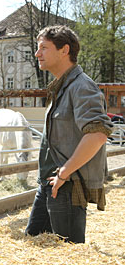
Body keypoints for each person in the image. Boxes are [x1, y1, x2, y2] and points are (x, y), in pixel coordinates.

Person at [25, 25, 113, 243]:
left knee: (68, 253)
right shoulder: (62, 87)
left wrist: (64, 173)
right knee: (33, 245)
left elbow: (98, 134)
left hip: (66, 186)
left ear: (64, 50)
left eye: (44, 48)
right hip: (49, 185)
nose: (37, 54)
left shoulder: (81, 86)